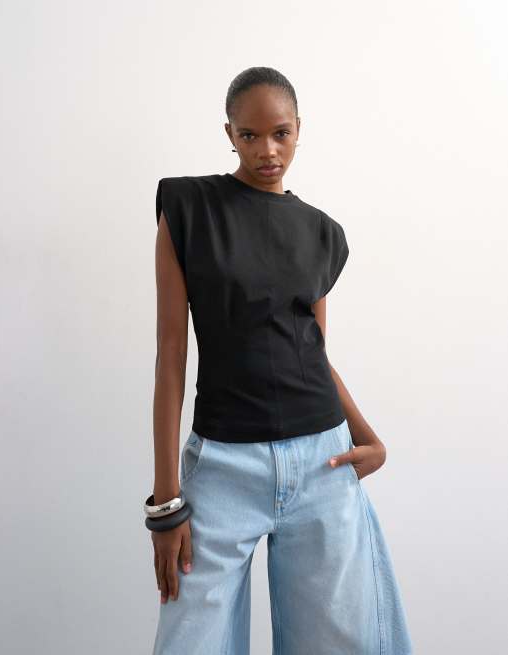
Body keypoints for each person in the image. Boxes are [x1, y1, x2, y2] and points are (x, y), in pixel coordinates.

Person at [146, 66, 413, 655]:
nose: (267, 150)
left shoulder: (322, 232)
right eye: (249, 135)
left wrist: (369, 436)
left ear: (299, 130)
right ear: (230, 134)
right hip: (223, 468)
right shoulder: (189, 208)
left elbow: (313, 352)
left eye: (280, 134)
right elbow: (171, 356)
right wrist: (166, 504)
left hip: (323, 461)